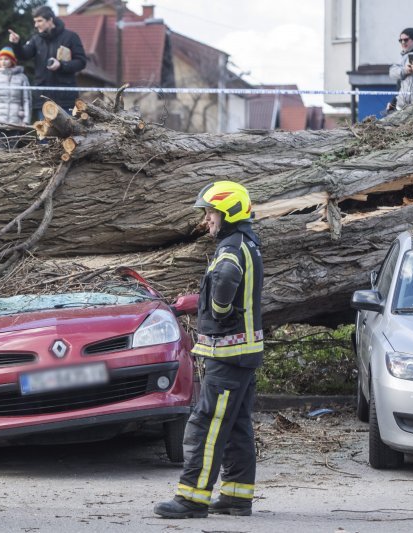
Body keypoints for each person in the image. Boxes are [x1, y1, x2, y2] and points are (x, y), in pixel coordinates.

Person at [153, 181, 264, 520]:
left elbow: (227, 278)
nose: (207, 219)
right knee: (236, 425)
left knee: (208, 423)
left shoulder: (231, 248)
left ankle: (192, 498)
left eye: (211, 212)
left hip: (227, 355)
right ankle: (235, 496)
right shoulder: (247, 243)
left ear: (228, 212)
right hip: (243, 353)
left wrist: (216, 310)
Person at [8, 6, 87, 116]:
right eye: (35, 21)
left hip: (66, 99)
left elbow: (81, 62)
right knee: (45, 133)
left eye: (39, 21)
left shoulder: (71, 37)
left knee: (69, 133)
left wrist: (61, 65)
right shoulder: (36, 39)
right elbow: (24, 55)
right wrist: (16, 44)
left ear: (50, 20)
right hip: (43, 101)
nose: (36, 25)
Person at [386, 28, 413, 114]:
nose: (403, 42)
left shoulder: (412, 56)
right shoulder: (405, 55)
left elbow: (410, 81)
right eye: (401, 40)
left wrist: (395, 102)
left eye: (406, 39)